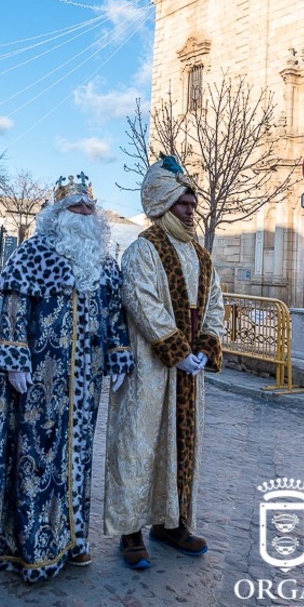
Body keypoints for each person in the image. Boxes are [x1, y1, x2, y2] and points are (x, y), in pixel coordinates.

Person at [0, 172, 133, 582]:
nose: (83, 213)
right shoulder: (31, 254)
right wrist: (15, 357)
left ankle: (72, 537)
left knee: (77, 457)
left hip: (86, 381)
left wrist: (117, 357)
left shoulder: (104, 263)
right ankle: (32, 541)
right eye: (75, 206)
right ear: (57, 213)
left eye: (89, 207)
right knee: (37, 454)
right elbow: (14, 310)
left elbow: (114, 315)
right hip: (40, 377)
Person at [104, 155, 224, 569]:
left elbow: (215, 306)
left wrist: (206, 345)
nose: (190, 212)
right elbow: (142, 302)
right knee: (140, 444)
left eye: (193, 205)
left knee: (181, 447)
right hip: (151, 369)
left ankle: (172, 523)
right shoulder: (143, 250)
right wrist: (176, 349)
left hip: (189, 371)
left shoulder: (202, 257)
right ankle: (131, 530)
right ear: (162, 206)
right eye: (182, 205)